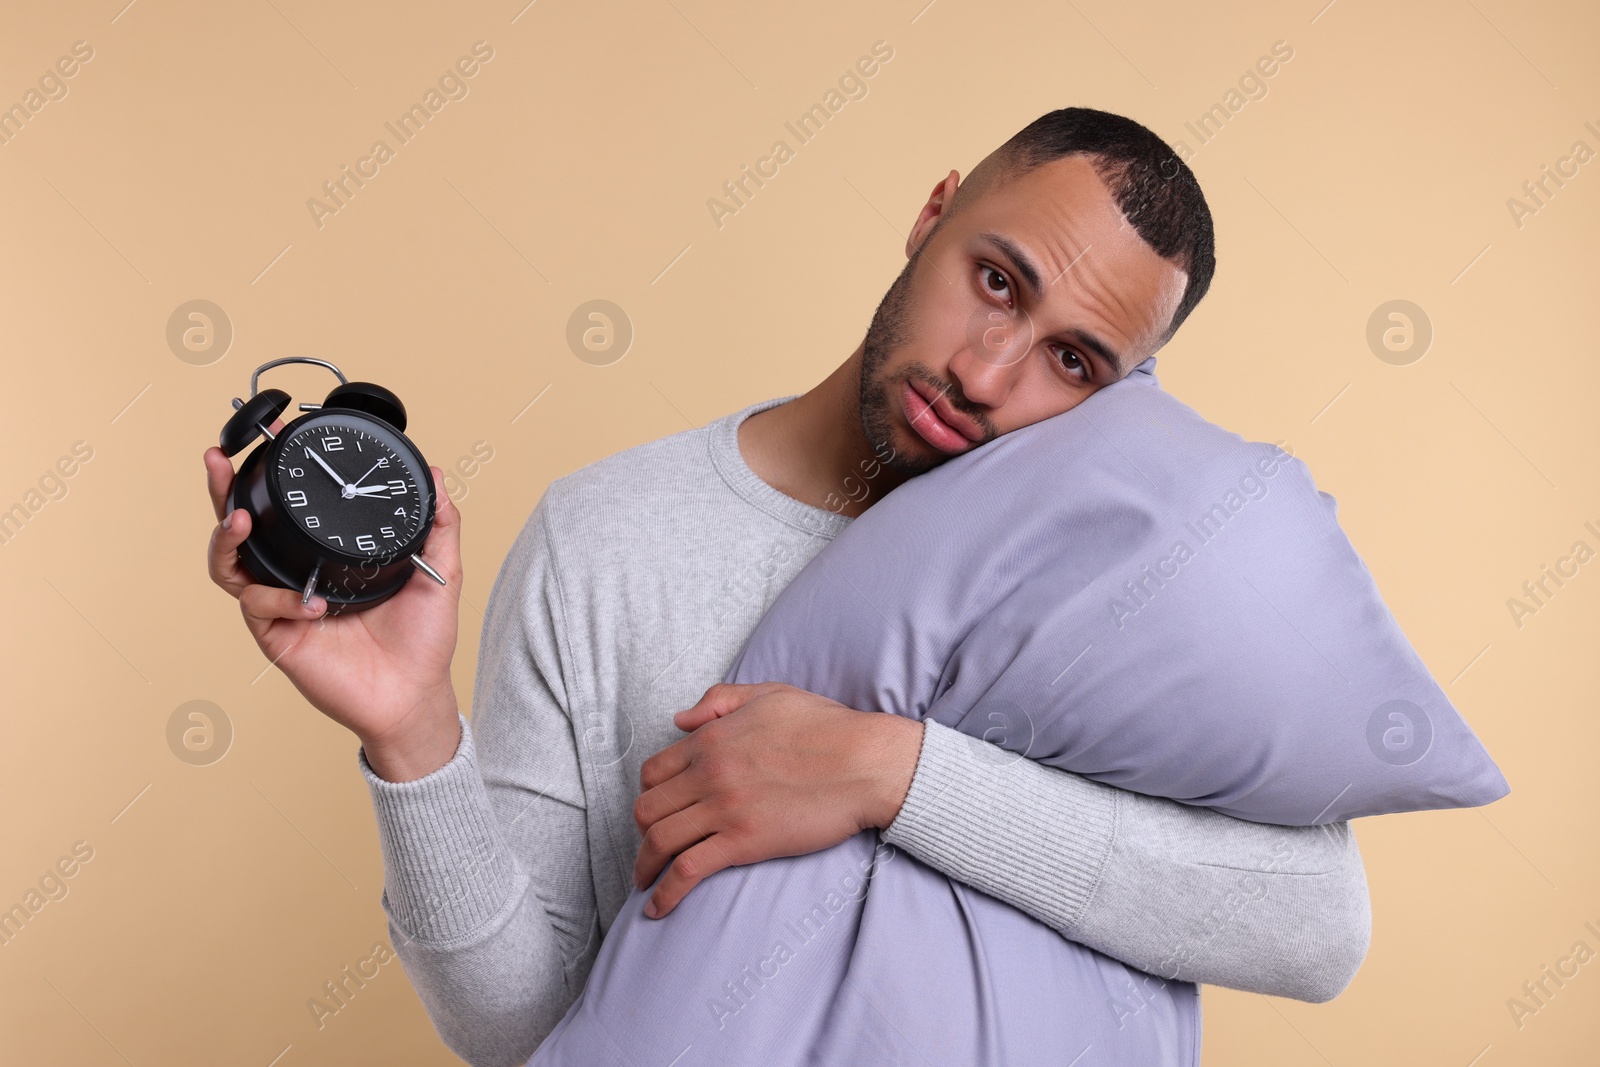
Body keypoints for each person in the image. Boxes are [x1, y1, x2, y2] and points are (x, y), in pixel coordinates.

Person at [204, 108, 1370, 1066]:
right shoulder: (608, 536)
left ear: (1126, 393)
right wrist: (414, 736)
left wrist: (891, 775)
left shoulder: (1116, 589)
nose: (983, 372)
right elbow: (527, 1027)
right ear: (932, 212)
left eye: (1073, 360)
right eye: (998, 281)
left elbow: (1317, 925)